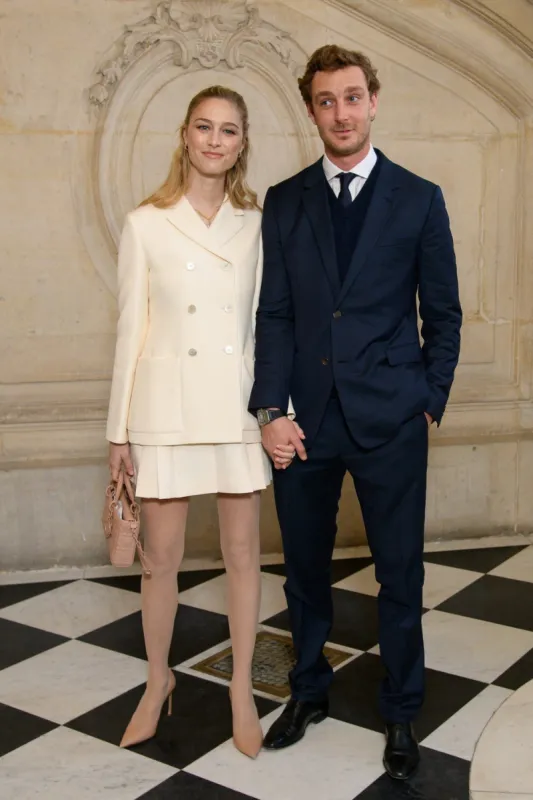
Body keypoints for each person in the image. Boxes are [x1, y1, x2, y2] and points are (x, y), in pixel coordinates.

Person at [249, 45, 462, 780]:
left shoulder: (419, 197)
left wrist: (427, 401)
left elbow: (443, 313)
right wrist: (269, 410)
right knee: (304, 572)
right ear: (312, 110)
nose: (339, 112)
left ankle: (401, 711)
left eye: (350, 96)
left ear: (372, 101)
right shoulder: (285, 199)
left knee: (399, 574)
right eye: (325, 100)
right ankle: (307, 692)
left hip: (392, 420)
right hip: (305, 422)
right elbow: (273, 314)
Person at [106, 85, 294, 758]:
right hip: (162, 407)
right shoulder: (145, 223)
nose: (215, 140)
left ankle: (241, 687)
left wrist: (278, 411)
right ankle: (157, 683)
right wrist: (117, 433)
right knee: (160, 562)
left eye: (229, 131)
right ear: (184, 135)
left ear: (243, 144)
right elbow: (131, 330)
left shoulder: (256, 224)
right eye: (204, 127)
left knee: (244, 556)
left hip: (233, 405)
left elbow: (267, 327)